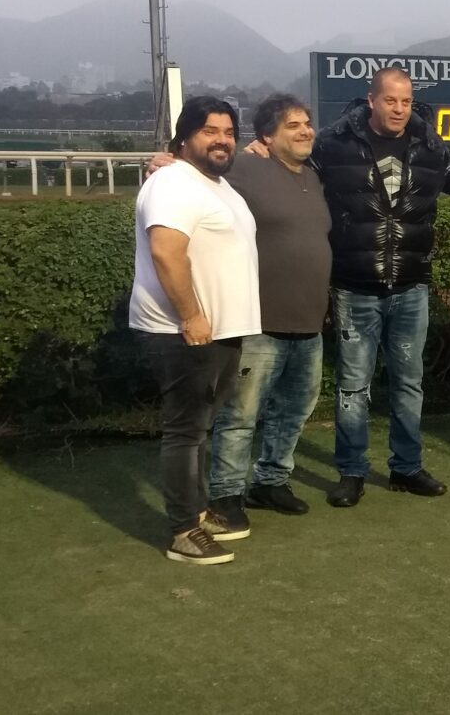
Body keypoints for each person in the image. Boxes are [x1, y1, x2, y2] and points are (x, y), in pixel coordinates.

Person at [314, 67, 450, 507]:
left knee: (409, 384)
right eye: (391, 100)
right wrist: (259, 153)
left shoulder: (429, 144)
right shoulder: (333, 143)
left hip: (412, 288)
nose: (399, 109)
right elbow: (290, 170)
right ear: (371, 99)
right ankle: (352, 471)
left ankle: (406, 467)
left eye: (406, 101)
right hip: (355, 288)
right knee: (353, 386)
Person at [130, 96, 260, 565]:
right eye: (210, 131)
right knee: (185, 431)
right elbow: (166, 252)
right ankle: (184, 531)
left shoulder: (216, 184)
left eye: (229, 132)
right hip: (182, 330)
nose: (222, 140)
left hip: (218, 330)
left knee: (200, 427)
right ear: (184, 137)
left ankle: (197, 511)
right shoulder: (173, 182)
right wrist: (190, 316)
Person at [203, 94, 332, 534]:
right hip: (258, 322)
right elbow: (194, 170)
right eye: (293, 125)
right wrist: (162, 161)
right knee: (240, 415)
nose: (305, 130)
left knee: (293, 412)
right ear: (267, 136)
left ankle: (270, 482)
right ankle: (225, 495)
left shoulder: (313, 176)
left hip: (309, 323)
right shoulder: (246, 167)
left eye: (307, 123)